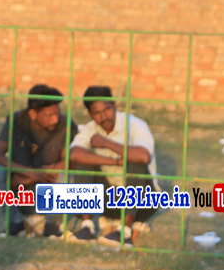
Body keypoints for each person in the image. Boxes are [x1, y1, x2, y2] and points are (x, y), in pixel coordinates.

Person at [66, 85, 158, 247]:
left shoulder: (135, 124)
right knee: (83, 160)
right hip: (109, 201)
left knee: (135, 160)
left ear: (115, 106)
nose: (104, 116)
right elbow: (73, 154)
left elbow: (144, 156)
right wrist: (115, 162)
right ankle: (87, 227)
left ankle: (125, 232)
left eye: (107, 109)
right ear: (90, 114)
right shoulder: (90, 128)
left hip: (143, 202)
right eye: (97, 113)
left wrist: (106, 143)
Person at [0, 84, 77, 238]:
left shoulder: (66, 124)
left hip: (47, 186)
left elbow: (68, 161)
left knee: (65, 174)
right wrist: (29, 173)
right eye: (49, 115)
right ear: (33, 114)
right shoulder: (15, 121)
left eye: (57, 113)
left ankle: (51, 225)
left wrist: (31, 176)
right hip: (19, 190)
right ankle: (16, 223)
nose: (55, 119)